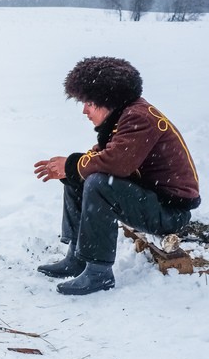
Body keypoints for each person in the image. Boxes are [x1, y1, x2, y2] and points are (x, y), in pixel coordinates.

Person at [34, 56, 200, 295]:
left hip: (170, 212)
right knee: (78, 174)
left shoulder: (139, 118)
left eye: (88, 102)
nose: (84, 110)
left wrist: (72, 165)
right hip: (152, 200)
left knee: (99, 182)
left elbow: (116, 163)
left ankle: (99, 272)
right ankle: (77, 257)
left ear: (106, 100)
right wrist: (69, 168)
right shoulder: (125, 115)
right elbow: (102, 157)